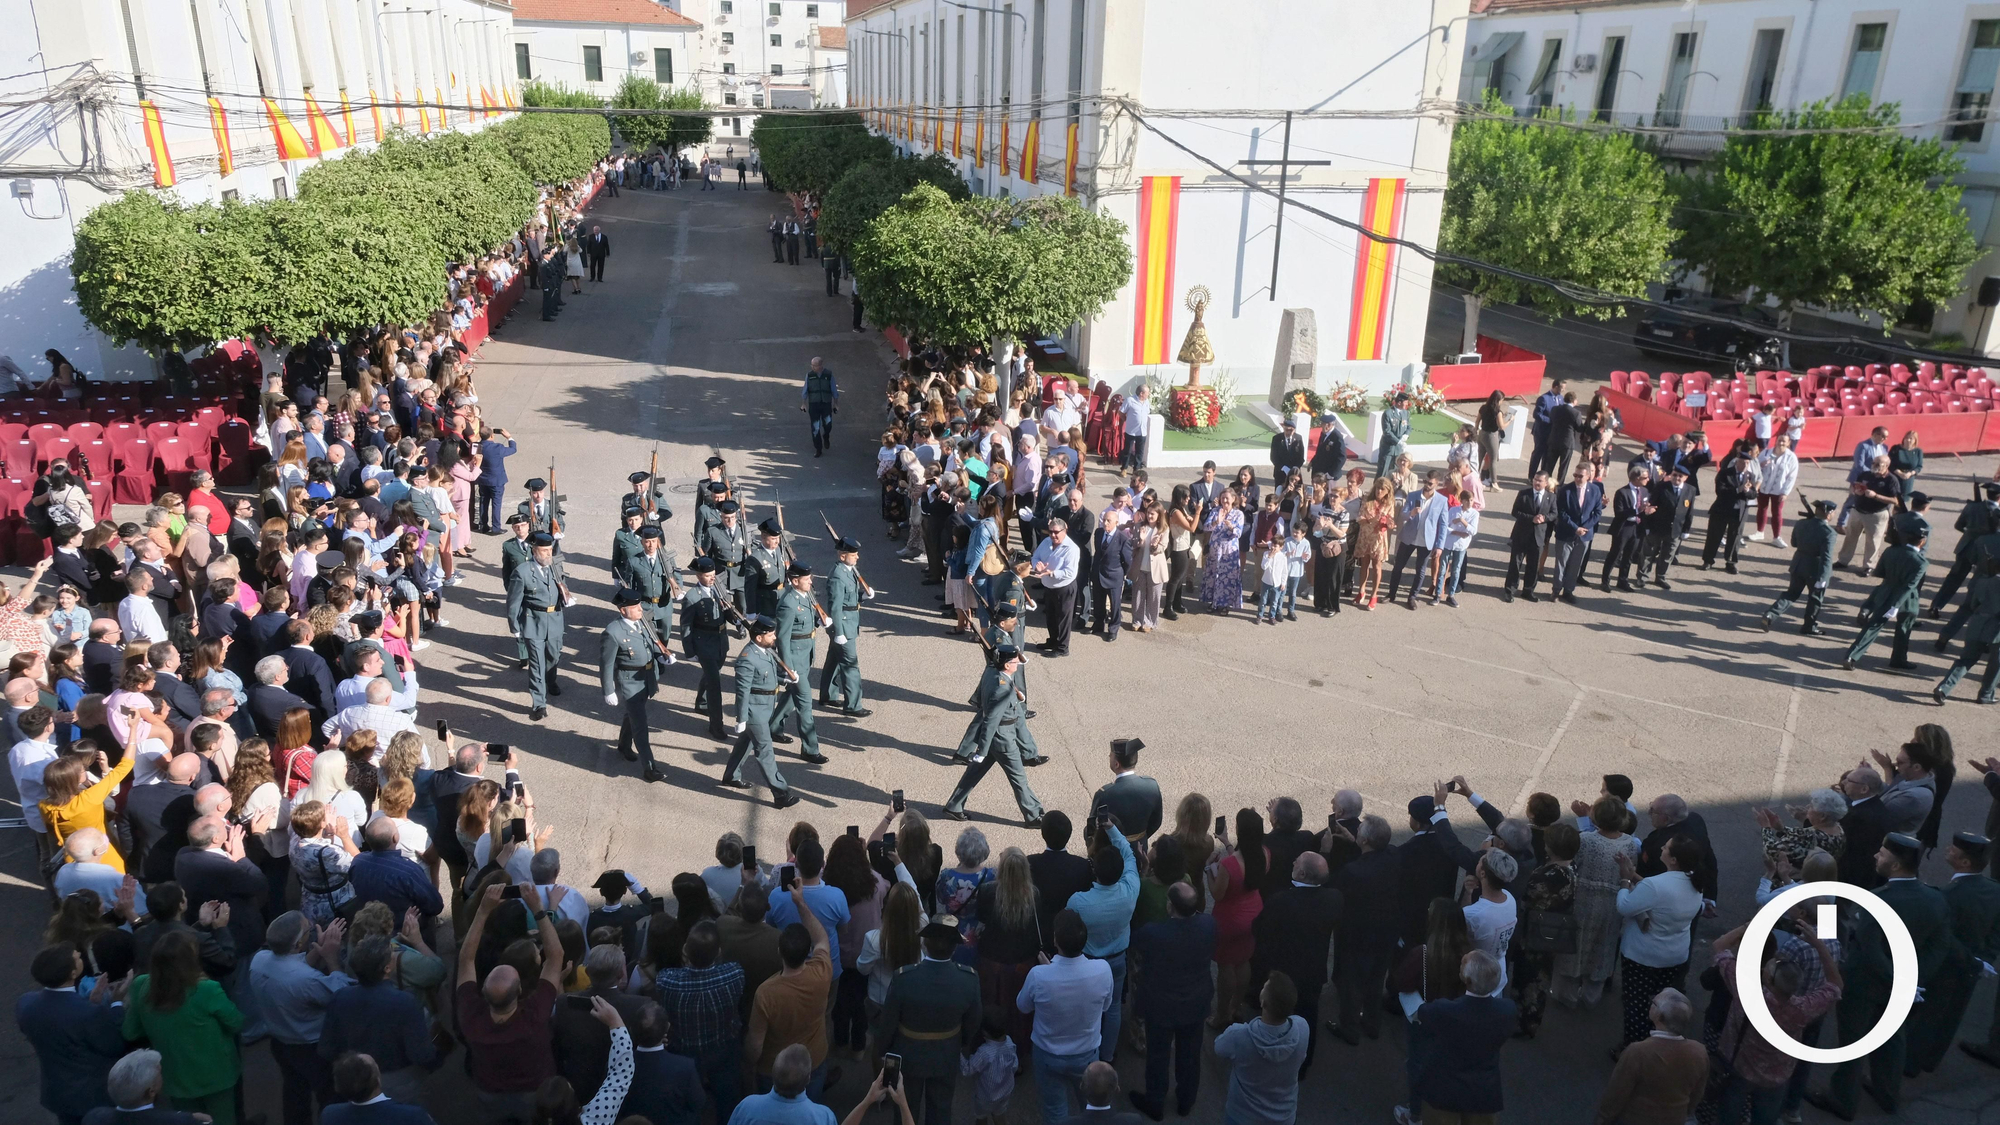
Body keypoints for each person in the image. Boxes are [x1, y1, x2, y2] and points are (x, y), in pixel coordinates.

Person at [1809, 834, 1953, 1119]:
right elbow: (1940, 945)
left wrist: (1898, 981)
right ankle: (1887, 1092)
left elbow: (1870, 950)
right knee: (1893, 1038)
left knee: (1853, 1042)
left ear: (1896, 865)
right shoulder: (1935, 898)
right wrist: (1914, 979)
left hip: (1864, 984)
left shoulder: (1878, 900)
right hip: (1904, 986)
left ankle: (1842, 1100)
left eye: (1883, 853)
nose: (1876, 856)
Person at [457, 880, 567, 1122]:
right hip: (533, 1090)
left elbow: (465, 960)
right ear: (519, 991)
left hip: (489, 1091)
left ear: (482, 991)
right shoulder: (535, 1015)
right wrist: (538, 909)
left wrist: (483, 911)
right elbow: (556, 956)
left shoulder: (470, 1016)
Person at [122, 930, 245, 1123]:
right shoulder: (206, 989)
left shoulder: (140, 985)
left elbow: (130, 1032)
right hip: (217, 1075)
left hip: (175, 1077)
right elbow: (236, 1022)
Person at [875, 915, 983, 1125]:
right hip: (947, 1052)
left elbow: (888, 1022)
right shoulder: (968, 979)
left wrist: (882, 1050)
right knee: (941, 1108)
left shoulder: (904, 978)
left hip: (908, 1053)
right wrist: (960, 1042)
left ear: (924, 944)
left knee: (904, 1105)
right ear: (954, 949)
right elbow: (974, 1020)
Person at [1127, 879, 1214, 1119]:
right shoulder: (1208, 925)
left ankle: (1155, 1101)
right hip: (1195, 1003)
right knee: (1190, 1055)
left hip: (1161, 1005)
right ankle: (1186, 1100)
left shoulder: (1154, 933)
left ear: (1170, 906)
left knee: (1158, 1055)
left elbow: (1135, 945)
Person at [1018, 909, 1115, 1124]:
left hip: (1047, 1055)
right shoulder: (1103, 969)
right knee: (1090, 1106)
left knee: (1054, 1111)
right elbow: (1106, 1006)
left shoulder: (1039, 975)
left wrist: (1049, 969)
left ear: (1055, 940)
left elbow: (1023, 1006)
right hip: (1087, 1054)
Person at [18, 941, 128, 1125]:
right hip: (94, 1095)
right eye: (76, 957)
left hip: (58, 1093)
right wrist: (116, 1004)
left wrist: (91, 1004)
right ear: (72, 973)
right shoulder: (88, 1013)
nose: (79, 955)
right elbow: (114, 1045)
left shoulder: (26, 1003)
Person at [746, 881, 836, 1099]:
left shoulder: (766, 993)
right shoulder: (822, 972)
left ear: (780, 951)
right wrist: (800, 903)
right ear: (808, 952)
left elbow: (755, 1046)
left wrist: (748, 1065)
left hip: (775, 1069)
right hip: (812, 1061)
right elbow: (822, 938)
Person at [1251, 852, 1340, 1073]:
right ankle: (1304, 1061)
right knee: (1309, 1015)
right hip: (1313, 970)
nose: (1292, 861)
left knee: (1277, 1016)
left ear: (1301, 873)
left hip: (1285, 972)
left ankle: (1272, 1057)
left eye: (1296, 861)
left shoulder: (1281, 901)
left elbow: (1260, 930)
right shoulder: (1334, 898)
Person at [1613, 835, 1704, 1052]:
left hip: (1643, 956)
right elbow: (1656, 892)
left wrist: (1625, 881)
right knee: (1663, 1004)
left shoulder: (1657, 885)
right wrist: (1633, 874)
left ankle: (1633, 1048)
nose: (1662, 847)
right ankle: (1662, 1042)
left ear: (1673, 860)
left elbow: (1625, 906)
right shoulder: (1695, 880)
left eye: (1666, 847)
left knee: (1637, 1005)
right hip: (1675, 955)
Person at [1591, 987, 1705, 1125]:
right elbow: (1697, 1093)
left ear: (1658, 1015)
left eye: (1653, 1003)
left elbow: (1617, 1092)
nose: (1650, 1004)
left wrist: (1603, 1118)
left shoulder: (1638, 1052)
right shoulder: (1699, 1051)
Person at [720, 615, 800, 810]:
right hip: (754, 711)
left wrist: (785, 681)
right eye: (771, 634)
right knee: (765, 752)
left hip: (765, 706)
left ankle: (731, 775)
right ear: (758, 637)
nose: (774, 637)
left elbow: (767, 679)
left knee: (745, 744)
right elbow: (743, 691)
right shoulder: (747, 660)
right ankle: (780, 793)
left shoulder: (765, 651)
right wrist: (741, 718)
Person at [1213, 970, 1309, 1125]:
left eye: (1264, 987)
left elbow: (1219, 1047)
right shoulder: (1302, 1027)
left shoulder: (1240, 1035)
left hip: (1242, 1116)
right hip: (1284, 1117)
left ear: (1263, 1002)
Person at [600, 588, 670, 783]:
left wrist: (662, 657)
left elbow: (652, 644)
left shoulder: (642, 623)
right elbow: (606, 664)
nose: (640, 609)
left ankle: (623, 745)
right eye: (635, 607)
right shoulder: (613, 632)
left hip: (646, 677)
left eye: (639, 605)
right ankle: (649, 768)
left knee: (632, 715)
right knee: (641, 725)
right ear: (623, 610)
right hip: (629, 682)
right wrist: (608, 690)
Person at [1841, 517, 1926, 671]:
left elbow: (1879, 572)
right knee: (1904, 629)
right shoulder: (1921, 562)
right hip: (1907, 598)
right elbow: (1910, 586)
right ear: (1922, 541)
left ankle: (1851, 655)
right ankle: (1898, 659)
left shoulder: (1891, 550)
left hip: (1886, 590)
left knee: (1873, 626)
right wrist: (1896, 605)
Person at [506, 532, 568, 721]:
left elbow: (562, 587)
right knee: (537, 664)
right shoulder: (522, 572)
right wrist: (514, 625)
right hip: (533, 621)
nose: (548, 554)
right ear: (534, 551)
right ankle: (539, 703)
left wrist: (567, 598)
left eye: (550, 550)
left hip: (555, 619)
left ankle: (551, 680)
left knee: (554, 656)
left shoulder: (555, 566)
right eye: (544, 550)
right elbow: (513, 601)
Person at [1762, 500, 1837, 635]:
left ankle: (1770, 614)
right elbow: (1826, 557)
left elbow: (1794, 543)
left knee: (1791, 593)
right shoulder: (1829, 532)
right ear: (1829, 513)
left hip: (1798, 564)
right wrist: (1824, 577)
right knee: (1815, 599)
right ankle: (1809, 626)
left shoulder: (1801, 523)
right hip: (1815, 569)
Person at [820, 537, 870, 717]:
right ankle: (853, 705)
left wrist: (863, 596)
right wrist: (839, 632)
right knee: (850, 666)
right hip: (843, 625)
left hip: (849, 620)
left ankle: (828, 695)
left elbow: (850, 598)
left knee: (833, 661)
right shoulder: (838, 576)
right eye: (853, 555)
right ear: (842, 556)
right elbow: (835, 607)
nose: (857, 558)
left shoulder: (847, 571)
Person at [1551, 462, 1603, 602]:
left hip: (1584, 535)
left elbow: (1597, 513)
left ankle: (1568, 591)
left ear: (1588, 476)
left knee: (1575, 564)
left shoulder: (1595, 490)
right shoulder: (1565, 490)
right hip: (1566, 532)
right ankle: (1556, 591)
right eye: (1575, 475)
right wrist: (1575, 528)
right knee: (1561, 564)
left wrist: (1584, 528)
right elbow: (1561, 512)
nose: (1577, 478)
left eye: (1580, 476)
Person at [803, 357, 839, 458]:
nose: (812, 367)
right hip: (814, 404)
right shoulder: (809, 376)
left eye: (814, 365)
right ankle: (818, 448)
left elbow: (834, 390)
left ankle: (826, 435)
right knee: (815, 428)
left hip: (826, 403)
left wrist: (836, 403)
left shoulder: (828, 375)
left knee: (828, 424)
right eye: (812, 365)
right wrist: (804, 403)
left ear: (820, 366)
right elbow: (805, 390)